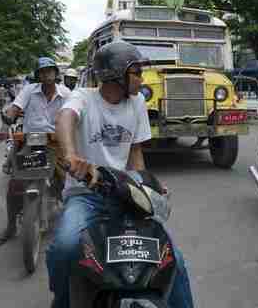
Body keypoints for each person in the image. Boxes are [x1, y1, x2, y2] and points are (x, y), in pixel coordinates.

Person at [49, 41, 194, 308]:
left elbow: (135, 152)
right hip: (85, 194)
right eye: (136, 72)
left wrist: (148, 188)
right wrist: (71, 154)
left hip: (126, 193)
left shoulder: (137, 102)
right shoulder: (83, 96)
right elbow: (65, 118)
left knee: (172, 257)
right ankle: (62, 299)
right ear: (115, 74)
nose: (142, 78)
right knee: (65, 247)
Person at [0, 57, 71, 248]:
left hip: (56, 142)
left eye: (50, 70)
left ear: (56, 74)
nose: (46, 74)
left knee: (68, 180)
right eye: (42, 71)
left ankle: (71, 222)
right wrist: (9, 117)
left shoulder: (66, 93)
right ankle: (10, 228)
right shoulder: (29, 90)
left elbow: (73, 114)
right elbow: (15, 108)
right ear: (38, 75)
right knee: (15, 186)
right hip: (31, 141)